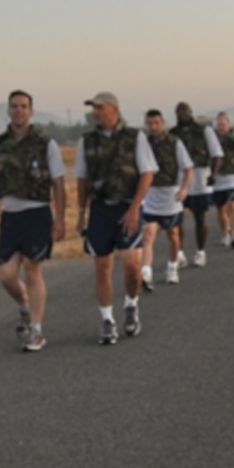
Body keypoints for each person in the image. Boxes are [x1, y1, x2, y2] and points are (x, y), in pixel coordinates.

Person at [0, 90, 66, 352]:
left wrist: (60, 219)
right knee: (6, 274)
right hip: (10, 215)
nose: (19, 110)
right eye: (14, 106)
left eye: (24, 106)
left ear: (31, 111)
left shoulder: (46, 143)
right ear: (9, 110)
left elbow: (58, 183)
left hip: (37, 213)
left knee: (33, 270)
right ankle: (25, 306)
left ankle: (36, 331)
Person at [74, 91, 154, 345]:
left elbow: (147, 173)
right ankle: (107, 321)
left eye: (100, 108)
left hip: (127, 206)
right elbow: (82, 180)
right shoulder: (86, 142)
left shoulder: (134, 138)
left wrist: (135, 209)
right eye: (93, 108)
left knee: (131, 265)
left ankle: (131, 304)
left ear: (114, 110)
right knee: (102, 266)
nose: (95, 112)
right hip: (100, 209)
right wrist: (81, 214)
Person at [136, 108, 195, 287]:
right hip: (151, 194)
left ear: (163, 123)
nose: (153, 127)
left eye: (156, 123)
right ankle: (146, 272)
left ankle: (172, 267)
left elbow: (188, 168)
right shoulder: (142, 143)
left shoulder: (174, 143)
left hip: (171, 194)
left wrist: (184, 189)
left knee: (173, 234)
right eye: (150, 124)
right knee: (148, 233)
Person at [170, 101, 221, 268]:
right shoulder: (172, 134)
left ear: (191, 112)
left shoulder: (204, 131)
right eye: (179, 111)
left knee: (200, 216)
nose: (182, 113)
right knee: (177, 220)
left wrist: (213, 174)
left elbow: (216, 154)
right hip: (178, 179)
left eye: (185, 110)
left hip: (200, 178)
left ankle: (200, 251)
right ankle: (179, 252)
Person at [209, 111, 234, 248]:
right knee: (221, 209)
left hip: (232, 176)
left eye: (224, 124)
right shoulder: (210, 141)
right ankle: (225, 232)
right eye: (219, 124)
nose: (221, 127)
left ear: (228, 126)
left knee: (233, 205)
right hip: (217, 178)